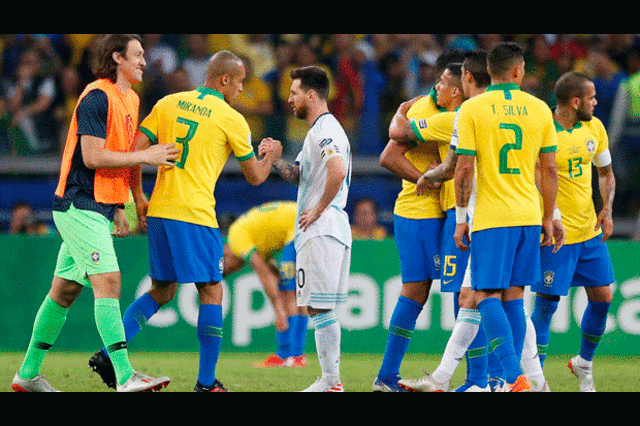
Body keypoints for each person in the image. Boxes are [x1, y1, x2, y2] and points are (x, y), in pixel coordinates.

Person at [88, 50, 282, 393]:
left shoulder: (169, 102)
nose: (241, 90)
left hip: (161, 210)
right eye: (239, 83)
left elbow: (135, 148)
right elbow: (255, 177)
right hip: (195, 214)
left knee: (162, 290)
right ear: (224, 79)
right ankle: (206, 384)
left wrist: (139, 196)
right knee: (212, 290)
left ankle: (108, 354)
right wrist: (270, 157)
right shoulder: (232, 118)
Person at [12, 34, 178, 393]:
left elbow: (116, 155)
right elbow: (92, 156)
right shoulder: (97, 97)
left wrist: (120, 204)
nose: (144, 62)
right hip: (78, 203)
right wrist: (145, 157)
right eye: (136, 55)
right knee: (110, 282)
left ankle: (26, 375)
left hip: (99, 206)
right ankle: (124, 375)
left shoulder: (131, 99)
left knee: (64, 292)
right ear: (117, 57)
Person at [453, 42, 564, 392]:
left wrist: (460, 216)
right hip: (529, 215)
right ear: (519, 71)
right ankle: (511, 380)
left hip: (492, 216)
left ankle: (513, 377)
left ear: (489, 70)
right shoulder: (540, 109)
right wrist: (549, 217)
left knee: (487, 296)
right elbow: (548, 169)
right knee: (514, 296)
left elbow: (464, 168)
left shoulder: (473, 108)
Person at [373, 50, 464, 392]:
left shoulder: (456, 110)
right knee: (429, 292)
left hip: (439, 213)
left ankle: (388, 376)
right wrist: (427, 179)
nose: (436, 86)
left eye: (441, 82)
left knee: (439, 292)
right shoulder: (424, 109)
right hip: (420, 210)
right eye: (438, 81)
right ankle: (388, 376)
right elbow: (387, 156)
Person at [260, 65, 352, 392]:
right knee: (317, 306)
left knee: (319, 307)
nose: (289, 99)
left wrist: (316, 208)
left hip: (322, 227)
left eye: (294, 92)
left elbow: (337, 171)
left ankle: (330, 382)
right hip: (327, 227)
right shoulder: (316, 132)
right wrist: (274, 160)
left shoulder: (326, 129)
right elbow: (299, 173)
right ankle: (330, 380)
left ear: (311, 95)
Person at [529, 71, 616, 392]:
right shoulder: (545, 130)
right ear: (575, 102)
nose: (596, 102)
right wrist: (552, 215)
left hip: (589, 232)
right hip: (555, 233)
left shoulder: (595, 127)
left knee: (604, 297)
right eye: (591, 98)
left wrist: (605, 211)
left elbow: (606, 173)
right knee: (547, 303)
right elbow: (538, 176)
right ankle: (535, 379)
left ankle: (584, 364)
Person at [223, 200, 308, 368]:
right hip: (300, 223)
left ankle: (295, 355)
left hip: (298, 225)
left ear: (225, 253)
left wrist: (278, 310)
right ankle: (286, 355)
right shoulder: (252, 240)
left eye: (227, 270)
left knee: (291, 294)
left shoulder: (236, 239)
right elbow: (272, 271)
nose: (234, 271)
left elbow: (263, 271)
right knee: (292, 290)